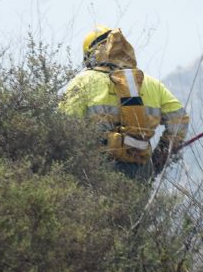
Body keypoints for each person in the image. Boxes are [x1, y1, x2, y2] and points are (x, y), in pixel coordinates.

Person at [60, 25, 189, 182]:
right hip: (140, 171)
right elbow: (180, 119)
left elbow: (64, 126)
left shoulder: (83, 81)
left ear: (91, 55)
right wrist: (159, 157)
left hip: (95, 170)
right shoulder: (150, 83)